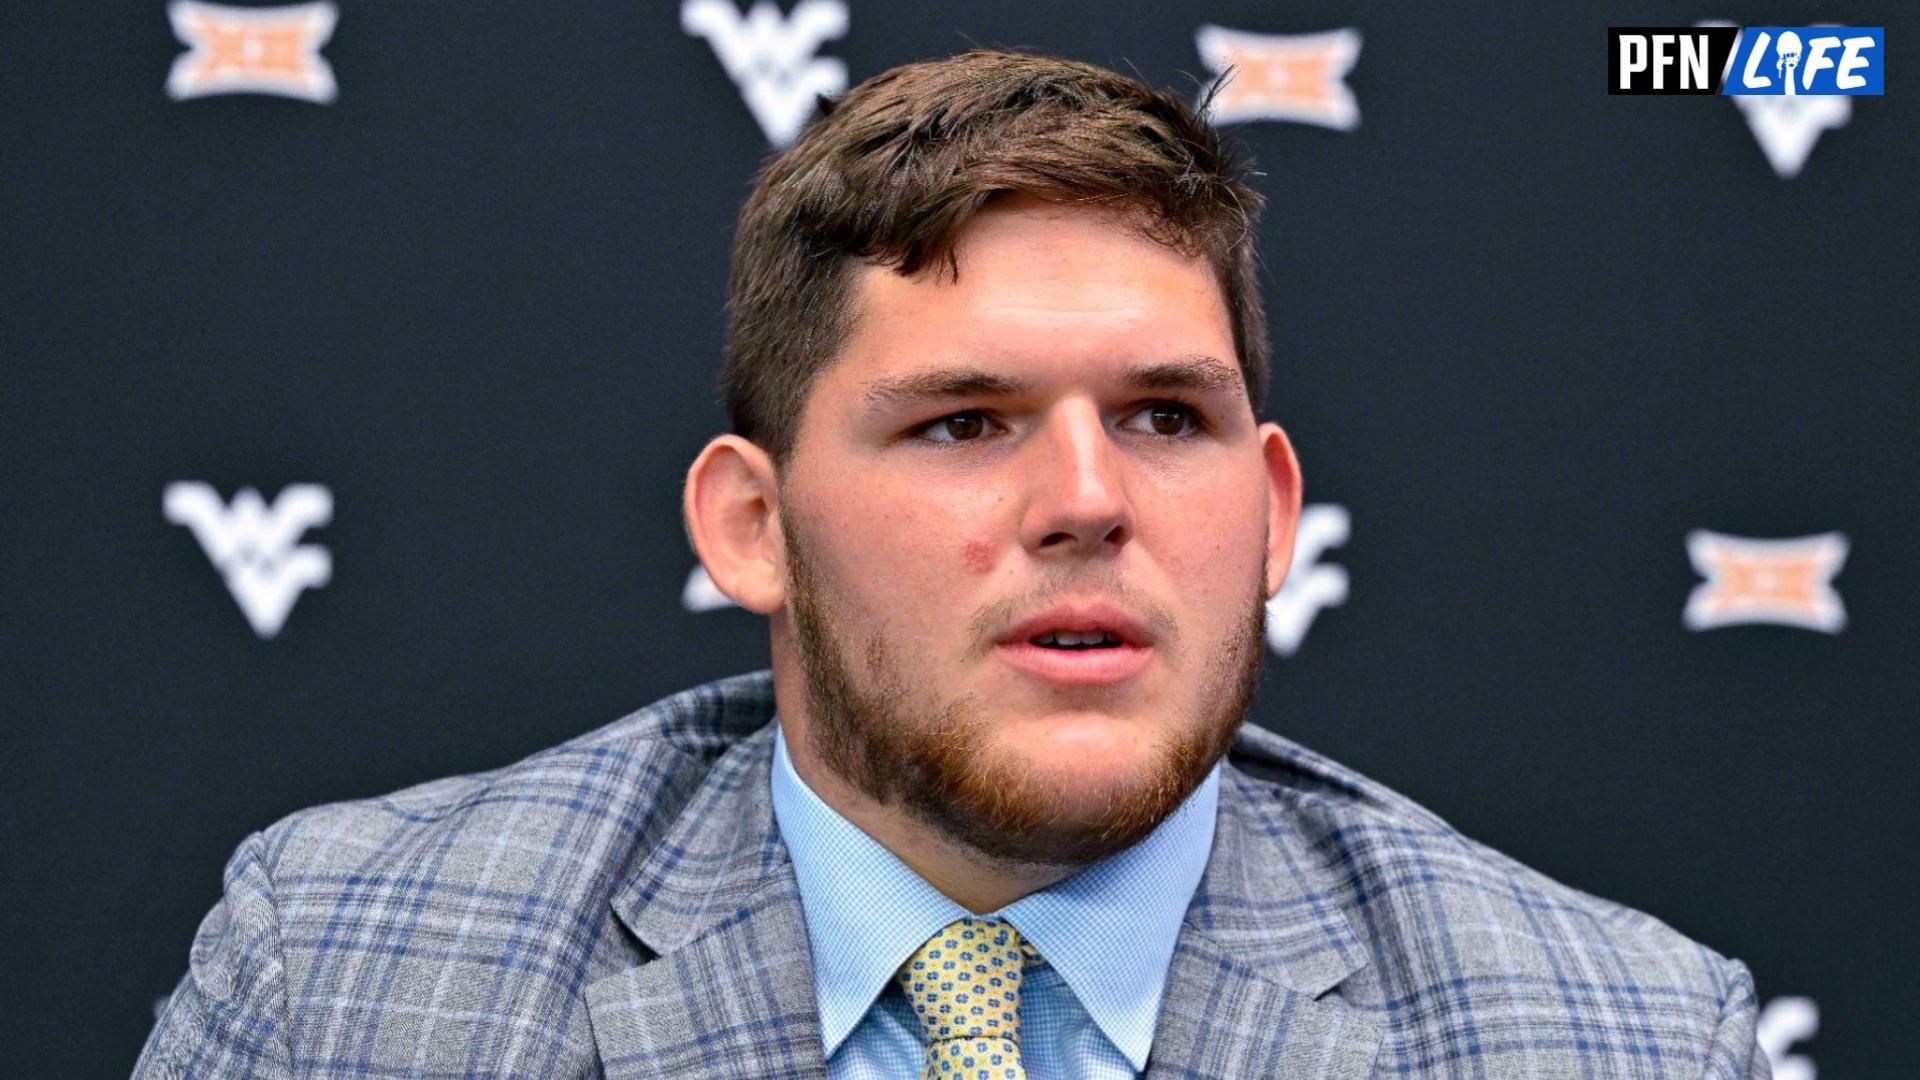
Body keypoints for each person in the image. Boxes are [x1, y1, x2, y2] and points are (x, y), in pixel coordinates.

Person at [136, 50, 1769, 1079]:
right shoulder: (348, 973)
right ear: (750, 528)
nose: (1086, 500)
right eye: (965, 424)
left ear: (1272, 512)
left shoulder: (1613, 1035)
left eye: (1164, 419)